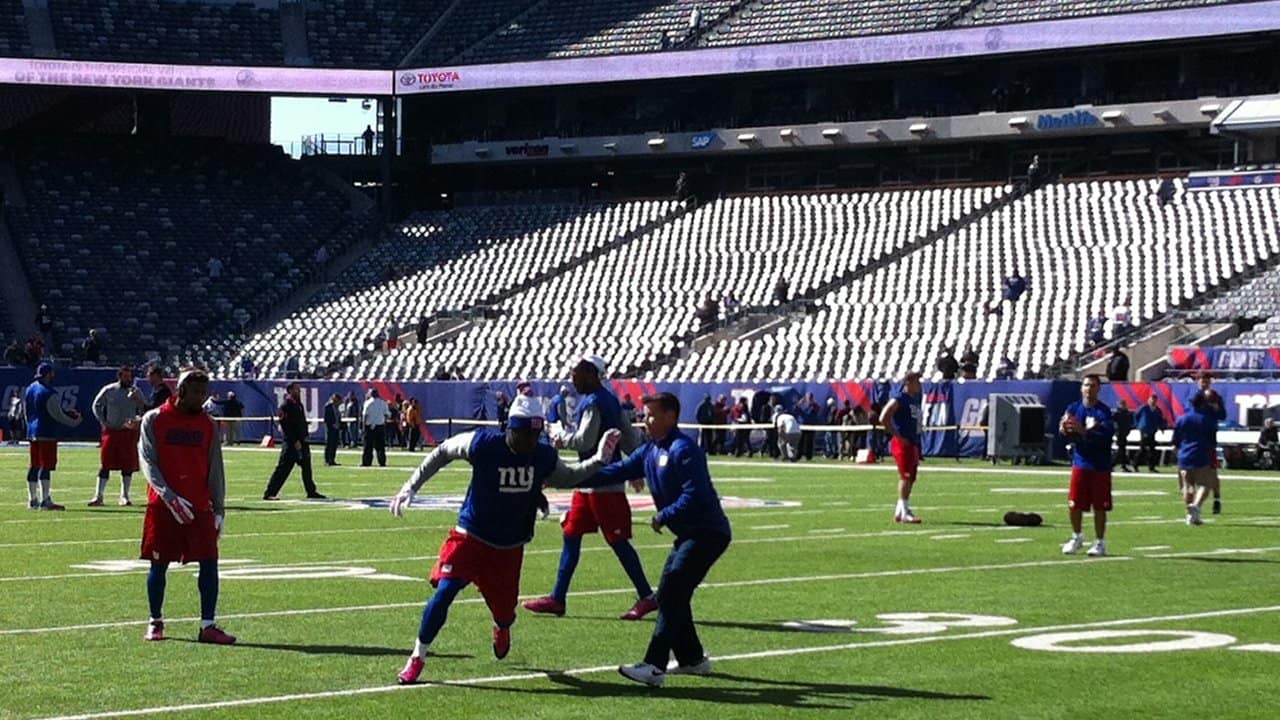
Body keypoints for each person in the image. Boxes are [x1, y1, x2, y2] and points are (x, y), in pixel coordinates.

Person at [389, 396, 624, 684]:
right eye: (523, 433)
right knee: (444, 593)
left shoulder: (541, 454)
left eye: (534, 435)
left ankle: (502, 625)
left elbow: (568, 477)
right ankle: (417, 656)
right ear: (509, 428)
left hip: (509, 547)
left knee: (504, 612)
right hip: (471, 535)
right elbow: (443, 451)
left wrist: (598, 461)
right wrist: (411, 486)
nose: (528, 441)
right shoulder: (484, 444)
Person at [591, 392, 731, 687]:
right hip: (688, 535)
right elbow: (618, 471)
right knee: (674, 594)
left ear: (671, 416)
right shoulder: (651, 450)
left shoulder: (684, 449)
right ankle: (692, 658)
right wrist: (570, 476)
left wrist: (664, 514)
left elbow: (697, 494)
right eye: (644, 415)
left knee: (670, 592)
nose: (645, 421)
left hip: (707, 533)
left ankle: (654, 666)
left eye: (651, 415)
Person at [524, 356, 655, 621]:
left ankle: (647, 596)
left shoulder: (595, 401)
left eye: (575, 373)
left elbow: (585, 440)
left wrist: (560, 437)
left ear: (591, 373)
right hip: (589, 482)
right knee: (571, 536)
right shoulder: (606, 399)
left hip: (602, 481)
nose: (571, 378)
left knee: (617, 541)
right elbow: (628, 435)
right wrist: (634, 466)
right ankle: (558, 598)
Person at [137, 368, 235, 645]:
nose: (201, 399)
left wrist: (219, 509)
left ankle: (208, 625)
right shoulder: (154, 419)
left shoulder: (208, 424)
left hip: (199, 505)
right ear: (180, 391)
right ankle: (155, 620)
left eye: (204, 393)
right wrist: (169, 496)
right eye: (196, 393)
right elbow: (147, 462)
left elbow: (215, 468)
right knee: (158, 564)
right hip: (164, 506)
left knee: (210, 562)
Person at [1059, 375, 1114, 557]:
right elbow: (1065, 428)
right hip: (1080, 461)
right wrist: (1064, 428)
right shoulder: (1074, 408)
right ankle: (1076, 536)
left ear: (1099, 389)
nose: (1089, 388)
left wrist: (1083, 431)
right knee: (1074, 503)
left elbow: (1105, 437)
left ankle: (1100, 541)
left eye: (1092, 385)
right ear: (1081, 388)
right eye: (1086, 385)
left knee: (1100, 506)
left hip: (1099, 464)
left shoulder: (1103, 412)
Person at [24, 362, 83, 510]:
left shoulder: (30, 388)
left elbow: (26, 411)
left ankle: (32, 499)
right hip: (46, 432)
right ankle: (45, 499)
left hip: (32, 431)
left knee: (34, 465)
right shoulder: (49, 392)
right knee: (46, 465)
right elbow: (57, 415)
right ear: (48, 374)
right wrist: (74, 421)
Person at [90, 366, 147, 506]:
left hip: (128, 432)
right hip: (111, 431)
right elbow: (96, 405)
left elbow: (144, 409)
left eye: (130, 377)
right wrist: (103, 422)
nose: (129, 379)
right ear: (120, 376)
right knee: (105, 464)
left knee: (127, 465)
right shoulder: (109, 390)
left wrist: (137, 419)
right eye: (126, 376)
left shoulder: (136, 392)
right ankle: (98, 496)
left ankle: (124, 496)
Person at [263, 382, 325, 500]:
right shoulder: (286, 405)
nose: (299, 391)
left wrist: (305, 436)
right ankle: (270, 493)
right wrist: (294, 440)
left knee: (307, 468)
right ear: (290, 390)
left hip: (302, 441)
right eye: (296, 389)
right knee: (283, 468)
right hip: (292, 443)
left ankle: (311, 491)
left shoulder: (299, 404)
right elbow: (285, 425)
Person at [880, 372, 924, 524]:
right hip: (903, 443)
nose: (919, 384)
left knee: (911, 477)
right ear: (908, 383)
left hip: (912, 442)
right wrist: (897, 436)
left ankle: (901, 511)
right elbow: (883, 417)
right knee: (905, 477)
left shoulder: (915, 400)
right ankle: (905, 512)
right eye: (917, 381)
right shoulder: (900, 399)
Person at [1173, 392, 1220, 526]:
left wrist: (1178, 449)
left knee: (1188, 486)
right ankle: (1197, 506)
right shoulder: (1206, 419)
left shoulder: (1182, 418)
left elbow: (1176, 438)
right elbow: (1212, 438)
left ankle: (1191, 515)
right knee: (1205, 484)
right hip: (1200, 453)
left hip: (1184, 454)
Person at [1197, 372, 1228, 514]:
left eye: (1207, 381)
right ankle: (1192, 500)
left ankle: (1216, 498)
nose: (1204, 383)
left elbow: (1222, 415)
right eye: (1202, 381)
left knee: (1211, 471)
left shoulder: (1215, 397)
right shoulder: (1195, 396)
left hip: (1208, 438)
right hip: (1194, 437)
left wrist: (1215, 406)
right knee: (1190, 471)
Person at [1135, 394, 1167, 472]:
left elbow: (1160, 420)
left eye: (1154, 400)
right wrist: (1138, 425)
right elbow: (1136, 416)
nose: (1153, 401)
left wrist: (1162, 427)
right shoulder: (1144, 408)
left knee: (1153, 449)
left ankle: (1151, 467)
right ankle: (1135, 464)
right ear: (1149, 400)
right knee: (1142, 448)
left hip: (1153, 431)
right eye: (1152, 399)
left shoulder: (1157, 410)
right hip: (1144, 430)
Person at [362, 388, 390, 467]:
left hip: (369, 426)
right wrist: (384, 422)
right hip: (380, 426)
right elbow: (387, 414)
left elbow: (365, 416)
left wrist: (363, 427)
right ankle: (382, 462)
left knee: (368, 446)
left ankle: (366, 462)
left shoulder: (367, 403)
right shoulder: (383, 403)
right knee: (380, 446)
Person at [1112, 399, 1135, 473]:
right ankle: (1120, 465)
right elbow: (1113, 423)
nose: (1123, 406)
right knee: (1121, 450)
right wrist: (1116, 431)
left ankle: (1118, 465)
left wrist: (1129, 430)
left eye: (1124, 404)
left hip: (1125, 433)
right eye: (1121, 404)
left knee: (1121, 450)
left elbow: (1130, 422)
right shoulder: (1117, 413)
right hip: (1119, 433)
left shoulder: (1127, 413)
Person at [797, 392, 820, 461]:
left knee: (809, 441)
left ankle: (808, 456)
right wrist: (799, 403)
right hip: (803, 425)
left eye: (810, 397)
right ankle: (799, 455)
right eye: (808, 397)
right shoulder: (803, 405)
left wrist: (812, 403)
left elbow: (817, 409)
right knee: (801, 441)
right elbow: (796, 411)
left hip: (811, 425)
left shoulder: (814, 406)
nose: (809, 399)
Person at [323, 393, 343, 466]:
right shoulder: (328, 406)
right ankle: (327, 460)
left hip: (336, 428)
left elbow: (339, 417)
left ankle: (332, 460)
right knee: (329, 444)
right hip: (330, 428)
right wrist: (332, 424)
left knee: (334, 444)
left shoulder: (338, 407)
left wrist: (339, 425)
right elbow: (326, 418)